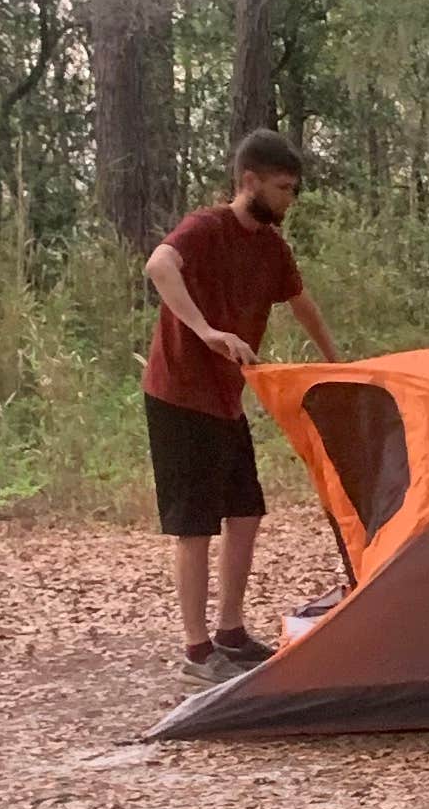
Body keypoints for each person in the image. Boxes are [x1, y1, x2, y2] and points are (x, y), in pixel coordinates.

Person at [143, 131, 339, 665]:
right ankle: (196, 649)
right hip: (179, 393)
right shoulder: (206, 228)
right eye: (283, 187)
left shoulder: (271, 248)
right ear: (249, 181)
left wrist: (336, 361)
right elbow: (159, 266)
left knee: (246, 512)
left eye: (294, 189)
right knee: (194, 526)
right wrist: (206, 330)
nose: (290, 199)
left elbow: (301, 303)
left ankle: (230, 630)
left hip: (226, 399)